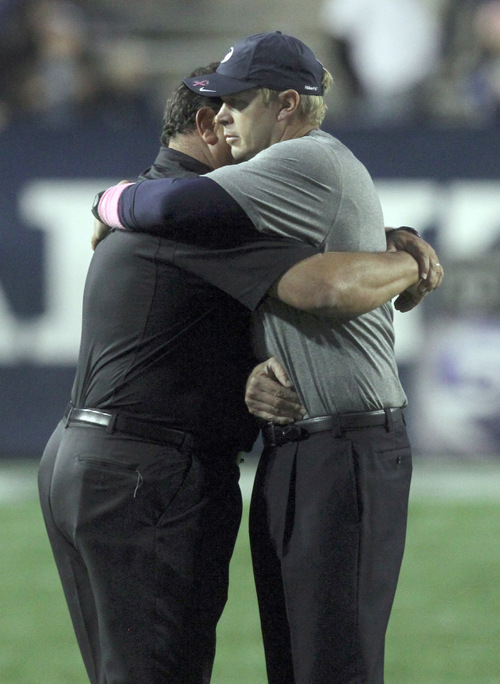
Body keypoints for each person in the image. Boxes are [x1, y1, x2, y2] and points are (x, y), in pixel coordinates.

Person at [39, 59, 438, 684]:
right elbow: (321, 284)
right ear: (208, 124)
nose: (232, 127)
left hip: (82, 457)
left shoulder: (147, 202)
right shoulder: (206, 214)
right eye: (223, 113)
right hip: (146, 478)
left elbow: (185, 332)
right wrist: (409, 260)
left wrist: (246, 378)